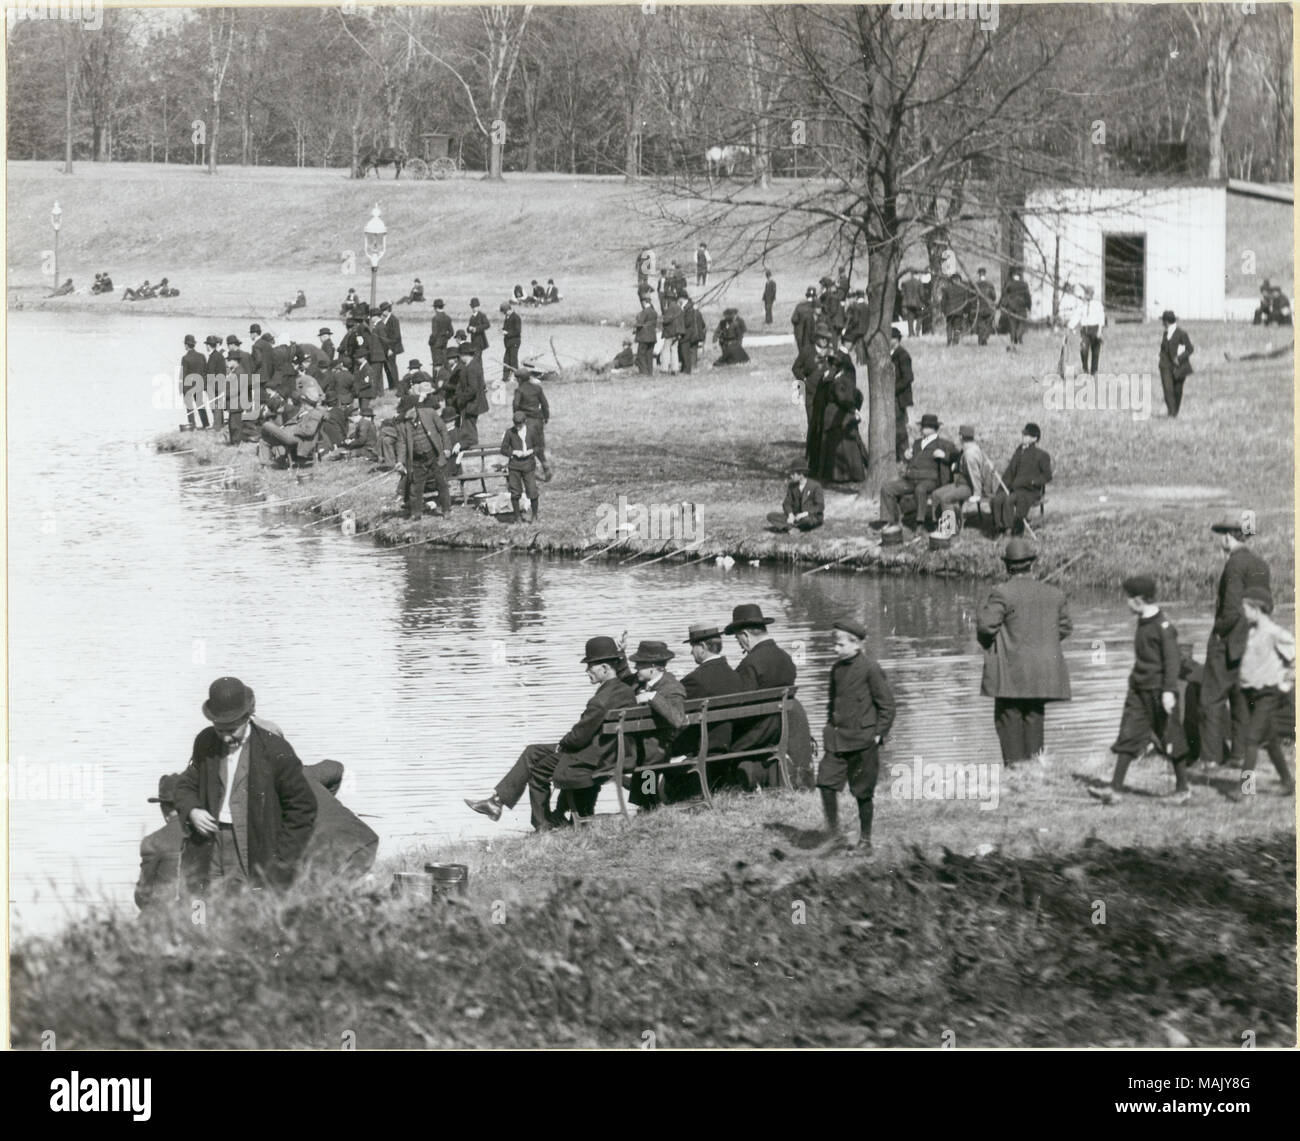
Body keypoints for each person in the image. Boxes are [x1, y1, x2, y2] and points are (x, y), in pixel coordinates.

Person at [465, 637, 638, 830]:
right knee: (532, 751)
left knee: (538, 770)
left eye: (590, 666)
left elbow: (578, 736)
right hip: (609, 752)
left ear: (605, 668)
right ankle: (496, 802)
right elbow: (583, 733)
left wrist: (562, 745)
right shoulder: (625, 691)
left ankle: (542, 824)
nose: (586, 671)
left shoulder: (600, 701)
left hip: (594, 757)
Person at [172, 677, 318, 893]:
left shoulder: (275, 750)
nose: (225, 737)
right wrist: (192, 809)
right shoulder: (204, 741)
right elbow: (185, 784)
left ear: (247, 717)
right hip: (209, 844)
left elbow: (303, 808)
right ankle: (198, 928)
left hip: (255, 845)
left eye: (232, 729)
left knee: (245, 907)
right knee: (199, 902)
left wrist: (282, 862)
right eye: (219, 729)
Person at [1089, 576, 1192, 805]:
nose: (1125, 603)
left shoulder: (1163, 627)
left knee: (1171, 737)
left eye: (1128, 598)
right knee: (1128, 735)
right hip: (1139, 690)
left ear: (1138, 600)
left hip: (1159, 692)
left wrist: (1168, 691)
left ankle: (1182, 788)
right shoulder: (1142, 622)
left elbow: (1173, 660)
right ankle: (1114, 789)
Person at [976, 539, 1072, 764]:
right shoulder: (1055, 594)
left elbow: (985, 627)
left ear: (1007, 566)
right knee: (1035, 725)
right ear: (1032, 565)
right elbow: (1065, 627)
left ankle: (1017, 779)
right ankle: (1034, 777)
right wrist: (1041, 643)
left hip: (1010, 676)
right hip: (1043, 676)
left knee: (1009, 726)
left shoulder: (1001, 593)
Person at [818, 618, 895, 855]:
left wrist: (878, 735)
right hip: (838, 740)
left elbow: (887, 706)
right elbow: (833, 703)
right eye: (835, 644)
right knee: (826, 783)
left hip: (863, 742)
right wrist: (830, 729)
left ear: (856, 644)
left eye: (840, 644)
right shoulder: (836, 669)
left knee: (863, 792)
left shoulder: (870, 668)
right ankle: (835, 835)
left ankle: (865, 841)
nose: (835, 649)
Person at [1201, 511, 1271, 769]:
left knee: (1211, 699)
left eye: (1222, 536)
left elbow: (1230, 609)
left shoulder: (1233, 564)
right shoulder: (1260, 564)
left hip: (1227, 642)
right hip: (1251, 642)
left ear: (1229, 538)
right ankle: (1238, 754)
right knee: (1241, 700)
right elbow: (1267, 605)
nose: (1221, 541)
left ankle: (1209, 758)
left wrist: (1217, 632)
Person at [1232, 587, 1296, 797]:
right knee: (1268, 738)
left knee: (1251, 739)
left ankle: (1246, 789)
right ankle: (1288, 781)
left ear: (1256, 608)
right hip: (1250, 692)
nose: (1243, 612)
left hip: (1268, 692)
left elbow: (1294, 658)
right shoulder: (1251, 631)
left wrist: (1286, 681)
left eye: (1246, 608)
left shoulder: (1274, 633)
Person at [728, 604, 797, 786]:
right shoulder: (786, 658)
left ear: (745, 636)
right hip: (780, 729)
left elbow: (741, 707)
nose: (740, 644)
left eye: (738, 639)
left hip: (755, 734)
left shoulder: (750, 664)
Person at [626, 641, 688, 811]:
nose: (636, 668)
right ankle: (647, 804)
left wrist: (652, 697)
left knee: (648, 765)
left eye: (639, 664)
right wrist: (621, 653)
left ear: (653, 667)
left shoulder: (671, 688)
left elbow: (678, 720)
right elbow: (625, 678)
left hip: (661, 748)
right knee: (645, 763)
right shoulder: (642, 681)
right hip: (643, 745)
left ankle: (650, 805)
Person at [879, 412, 955, 531]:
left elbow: (956, 457)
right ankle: (892, 521)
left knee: (920, 489)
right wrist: (906, 456)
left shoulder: (943, 444)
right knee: (887, 488)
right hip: (910, 479)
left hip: (930, 481)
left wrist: (944, 455)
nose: (922, 429)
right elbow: (911, 460)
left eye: (925, 426)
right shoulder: (917, 443)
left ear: (934, 429)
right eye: (922, 426)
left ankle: (920, 523)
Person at [807, 349, 864, 484]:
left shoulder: (830, 379)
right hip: (835, 416)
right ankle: (843, 475)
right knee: (841, 444)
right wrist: (853, 409)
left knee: (838, 444)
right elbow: (842, 398)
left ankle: (837, 474)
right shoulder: (836, 381)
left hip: (832, 415)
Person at [394, 392, 452, 520]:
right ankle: (416, 514)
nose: (404, 414)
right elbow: (401, 443)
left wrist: (447, 448)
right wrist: (400, 461)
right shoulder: (402, 425)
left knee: (441, 483)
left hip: (434, 455)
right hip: (417, 460)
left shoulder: (429, 413)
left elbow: (443, 430)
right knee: (415, 488)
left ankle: (446, 510)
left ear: (413, 409)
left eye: (405, 411)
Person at [990, 422, 1051, 536]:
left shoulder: (1041, 455)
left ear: (1034, 438)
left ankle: (1009, 530)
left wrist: (1033, 482)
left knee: (1009, 500)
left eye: (1027, 435)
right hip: (1014, 488)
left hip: (1029, 490)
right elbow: (1009, 472)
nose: (1023, 436)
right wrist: (1001, 488)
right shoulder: (1019, 452)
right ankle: (999, 528)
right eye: (1023, 434)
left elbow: (1047, 476)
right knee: (997, 500)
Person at [931, 424, 992, 529]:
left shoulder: (970, 454)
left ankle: (950, 529)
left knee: (946, 499)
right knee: (936, 494)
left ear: (961, 436)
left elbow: (975, 475)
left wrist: (977, 493)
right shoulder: (969, 448)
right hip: (960, 483)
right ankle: (937, 524)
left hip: (968, 486)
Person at [135, 774, 183, 909]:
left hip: (165, 919)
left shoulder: (153, 841)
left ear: (163, 808)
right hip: (199, 917)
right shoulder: (205, 837)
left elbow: (142, 895)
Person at [260, 383, 325, 466]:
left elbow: (310, 431)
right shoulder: (304, 410)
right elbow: (294, 420)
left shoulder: (315, 413)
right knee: (264, 441)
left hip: (295, 438)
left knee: (266, 424)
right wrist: (285, 427)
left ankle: (278, 460)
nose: (302, 401)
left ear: (305, 400)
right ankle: (267, 464)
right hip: (288, 433)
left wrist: (294, 429)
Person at [500, 410, 541, 523]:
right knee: (515, 492)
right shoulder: (510, 432)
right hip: (515, 466)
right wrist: (513, 452)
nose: (518, 427)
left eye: (520, 425)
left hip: (528, 465)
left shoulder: (532, 431)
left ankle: (534, 515)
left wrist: (531, 451)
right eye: (516, 424)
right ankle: (517, 517)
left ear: (525, 422)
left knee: (532, 490)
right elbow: (503, 449)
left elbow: (539, 446)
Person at [512, 363, 551, 480]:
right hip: (538, 420)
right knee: (539, 444)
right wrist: (546, 417)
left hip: (527, 421)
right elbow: (545, 404)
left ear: (519, 379)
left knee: (527, 446)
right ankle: (545, 465)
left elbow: (516, 406)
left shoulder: (519, 390)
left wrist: (517, 421)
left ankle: (530, 471)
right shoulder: (537, 388)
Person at [1157, 309, 1194, 418]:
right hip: (1165, 366)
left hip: (1179, 367)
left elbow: (1190, 349)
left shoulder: (1181, 334)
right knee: (1168, 390)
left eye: (1163, 321)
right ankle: (1171, 413)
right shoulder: (1166, 333)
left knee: (1177, 391)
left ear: (1166, 322)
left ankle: (1174, 412)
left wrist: (1180, 358)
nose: (1162, 324)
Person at [767, 467, 825, 531]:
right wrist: (790, 514)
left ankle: (788, 527)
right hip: (795, 516)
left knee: (807, 520)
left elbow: (820, 506)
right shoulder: (792, 486)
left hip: (810, 516)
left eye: (793, 474)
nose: (791, 476)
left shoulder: (815, 486)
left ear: (801, 475)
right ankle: (794, 527)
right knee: (770, 516)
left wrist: (805, 513)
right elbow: (786, 503)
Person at [1069, 284, 1106, 375]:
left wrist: (1099, 331)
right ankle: (1085, 369)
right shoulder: (1082, 305)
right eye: (1086, 293)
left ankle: (1094, 372)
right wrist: (1071, 326)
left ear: (1092, 294)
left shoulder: (1098, 304)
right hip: (1085, 331)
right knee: (1083, 349)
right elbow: (1077, 316)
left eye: (1089, 294)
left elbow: (1101, 318)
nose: (1087, 296)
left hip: (1095, 329)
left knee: (1095, 352)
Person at [889, 327, 913, 461]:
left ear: (896, 339)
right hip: (894, 397)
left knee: (900, 427)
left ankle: (904, 456)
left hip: (899, 398)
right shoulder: (892, 354)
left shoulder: (903, 355)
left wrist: (893, 390)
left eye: (891, 337)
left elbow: (908, 377)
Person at [180, 334, 210, 430]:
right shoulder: (202, 356)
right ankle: (206, 424)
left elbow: (183, 375)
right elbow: (206, 371)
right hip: (199, 384)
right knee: (200, 404)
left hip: (189, 386)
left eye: (185, 344)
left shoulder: (185, 358)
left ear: (187, 345)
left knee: (189, 406)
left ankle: (192, 425)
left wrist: (183, 389)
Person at [203, 335, 227, 432]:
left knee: (215, 406)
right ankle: (220, 424)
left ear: (209, 346)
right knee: (219, 405)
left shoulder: (213, 357)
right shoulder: (220, 355)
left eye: (206, 345)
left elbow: (211, 373)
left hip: (213, 385)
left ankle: (216, 426)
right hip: (220, 383)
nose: (206, 347)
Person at [1002, 269, 1031, 347]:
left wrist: (1003, 305)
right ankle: (1018, 337)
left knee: (1012, 325)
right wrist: (1029, 307)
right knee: (1022, 323)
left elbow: (1004, 295)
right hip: (1022, 306)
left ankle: (1013, 340)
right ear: (1019, 276)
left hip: (1011, 307)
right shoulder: (1024, 284)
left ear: (1012, 275)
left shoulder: (1009, 284)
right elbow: (1028, 296)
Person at [634, 296, 658, 376]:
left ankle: (643, 372)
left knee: (641, 354)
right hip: (652, 337)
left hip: (644, 337)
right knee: (649, 355)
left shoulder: (644, 312)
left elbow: (640, 323)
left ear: (644, 303)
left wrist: (635, 325)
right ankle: (650, 372)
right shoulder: (654, 312)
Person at [942, 273, 969, 345]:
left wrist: (943, 311)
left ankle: (949, 340)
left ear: (952, 280)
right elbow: (966, 301)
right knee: (957, 327)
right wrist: (966, 312)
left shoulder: (946, 289)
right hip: (959, 311)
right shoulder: (964, 289)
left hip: (949, 311)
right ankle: (955, 342)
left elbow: (943, 301)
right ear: (959, 280)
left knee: (949, 326)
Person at [427, 299, 454, 369]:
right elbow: (452, 332)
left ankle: (436, 379)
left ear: (435, 308)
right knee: (444, 362)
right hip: (444, 344)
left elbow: (434, 333)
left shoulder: (435, 318)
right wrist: (445, 337)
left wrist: (430, 342)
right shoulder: (447, 318)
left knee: (436, 364)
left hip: (436, 345)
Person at [973, 268, 997, 346]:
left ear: (979, 274)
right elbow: (994, 297)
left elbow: (972, 297)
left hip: (979, 308)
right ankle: (984, 338)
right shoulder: (990, 284)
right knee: (988, 324)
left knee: (980, 324)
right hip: (988, 308)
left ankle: (981, 340)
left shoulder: (975, 284)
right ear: (985, 274)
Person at [899, 270, 925, 336]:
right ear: (916, 275)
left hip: (908, 304)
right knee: (921, 315)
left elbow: (902, 294)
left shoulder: (905, 283)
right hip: (918, 304)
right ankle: (917, 330)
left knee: (910, 318)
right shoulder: (919, 283)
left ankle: (911, 333)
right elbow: (922, 295)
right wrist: (924, 301)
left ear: (911, 274)